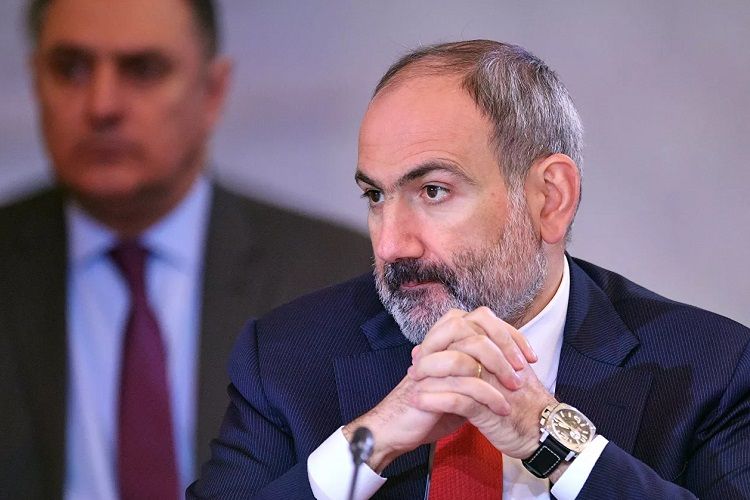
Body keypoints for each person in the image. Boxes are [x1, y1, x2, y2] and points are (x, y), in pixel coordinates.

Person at [188, 40, 750, 499]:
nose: (392, 245)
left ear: (550, 199)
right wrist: (370, 442)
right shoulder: (286, 358)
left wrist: (551, 440)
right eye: (376, 196)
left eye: (433, 191)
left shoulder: (713, 369)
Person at [0, 0, 372, 498]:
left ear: (212, 91)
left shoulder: (337, 275)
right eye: (70, 69)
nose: (101, 105)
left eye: (143, 70)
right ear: (35, 82)